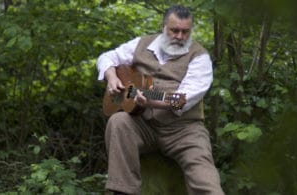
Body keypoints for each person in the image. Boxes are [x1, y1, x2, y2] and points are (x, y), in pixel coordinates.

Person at [96, 5, 225, 195]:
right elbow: (108, 57)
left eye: (185, 32)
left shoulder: (200, 57)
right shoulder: (142, 44)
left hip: (183, 130)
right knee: (118, 122)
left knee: (205, 179)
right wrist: (111, 77)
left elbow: (181, 100)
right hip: (144, 125)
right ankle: (122, 190)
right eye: (175, 30)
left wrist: (150, 100)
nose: (180, 36)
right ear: (163, 27)